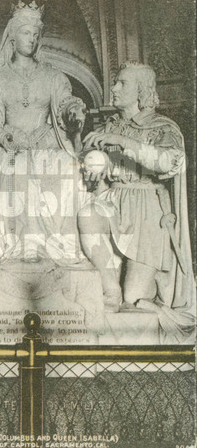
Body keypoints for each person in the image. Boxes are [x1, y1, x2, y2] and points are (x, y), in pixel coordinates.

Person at [79, 61, 195, 323]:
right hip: (114, 201)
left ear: (141, 90)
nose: (115, 87)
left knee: (134, 302)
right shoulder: (111, 126)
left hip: (147, 213)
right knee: (88, 214)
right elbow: (101, 170)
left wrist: (122, 142)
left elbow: (169, 162)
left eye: (122, 83)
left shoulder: (162, 126)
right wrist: (94, 166)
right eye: (116, 81)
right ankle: (111, 288)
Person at [0, 0, 88, 264]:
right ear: (12, 37)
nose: (32, 39)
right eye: (26, 33)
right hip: (11, 147)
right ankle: (20, 243)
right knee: (17, 164)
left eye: (36, 34)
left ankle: (49, 243)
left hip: (47, 143)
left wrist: (73, 111)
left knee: (66, 165)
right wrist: (7, 137)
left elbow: (64, 105)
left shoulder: (53, 76)